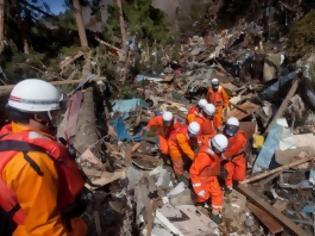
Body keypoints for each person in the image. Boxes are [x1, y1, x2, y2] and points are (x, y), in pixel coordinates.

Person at [0, 79, 86, 236]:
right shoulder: (32, 162)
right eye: (54, 113)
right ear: (39, 117)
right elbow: (45, 229)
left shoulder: (11, 134)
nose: (57, 117)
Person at [190, 134, 229, 224]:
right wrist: (198, 189)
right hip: (203, 178)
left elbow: (214, 161)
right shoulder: (204, 157)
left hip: (211, 175)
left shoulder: (211, 145)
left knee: (217, 193)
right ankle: (199, 202)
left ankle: (215, 213)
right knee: (203, 196)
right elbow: (194, 172)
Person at [222, 117, 247, 193]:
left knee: (239, 176)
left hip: (238, 157)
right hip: (228, 158)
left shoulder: (240, 138)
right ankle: (228, 186)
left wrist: (222, 157)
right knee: (228, 171)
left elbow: (232, 150)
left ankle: (233, 180)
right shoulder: (225, 132)